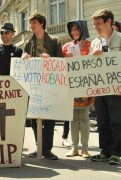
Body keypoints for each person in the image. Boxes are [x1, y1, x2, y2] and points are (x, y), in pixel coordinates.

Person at [22, 12, 63, 160]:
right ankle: (39, 147)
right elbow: (22, 63)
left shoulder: (55, 41)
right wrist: (24, 57)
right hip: (33, 84)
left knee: (49, 117)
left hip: (49, 84)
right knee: (34, 117)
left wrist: (50, 59)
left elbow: (61, 62)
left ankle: (47, 149)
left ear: (41, 24)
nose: (31, 25)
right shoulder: (28, 42)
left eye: (34, 23)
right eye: (30, 23)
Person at [89, 9, 121, 165]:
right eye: (94, 24)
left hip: (117, 88)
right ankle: (105, 151)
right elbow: (88, 67)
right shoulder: (95, 42)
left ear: (109, 22)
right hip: (100, 89)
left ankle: (117, 152)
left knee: (116, 121)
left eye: (98, 23)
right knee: (102, 121)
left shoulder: (120, 39)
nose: (96, 27)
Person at [62, 19, 93, 158]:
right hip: (71, 87)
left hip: (86, 86)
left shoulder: (90, 45)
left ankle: (85, 149)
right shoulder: (66, 47)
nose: (74, 32)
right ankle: (74, 148)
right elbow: (59, 67)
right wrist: (65, 58)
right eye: (72, 30)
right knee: (73, 120)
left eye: (77, 29)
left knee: (85, 119)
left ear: (82, 30)